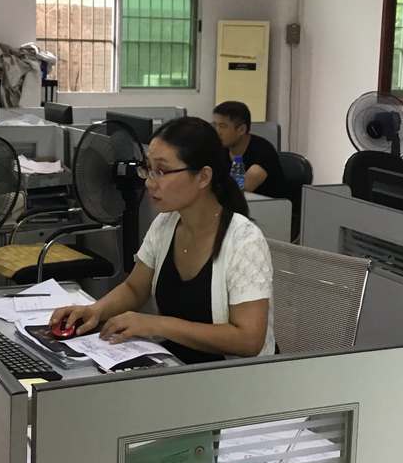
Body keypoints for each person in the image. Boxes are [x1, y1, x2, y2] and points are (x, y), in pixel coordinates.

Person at [50, 116, 274, 364]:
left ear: (203, 177)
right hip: (175, 366)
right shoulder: (166, 223)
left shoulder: (244, 241)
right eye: (148, 169)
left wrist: (158, 325)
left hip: (236, 377)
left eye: (161, 171)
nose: (148, 182)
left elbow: (249, 341)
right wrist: (94, 311)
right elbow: (135, 288)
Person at [212, 100, 285, 199]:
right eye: (215, 125)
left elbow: (242, 188)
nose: (217, 131)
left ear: (241, 129)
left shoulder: (263, 151)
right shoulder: (221, 149)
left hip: (267, 206)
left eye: (222, 126)